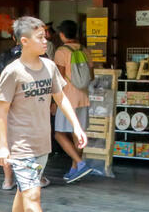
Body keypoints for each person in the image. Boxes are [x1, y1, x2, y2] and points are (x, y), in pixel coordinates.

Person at [0, 16, 88, 212]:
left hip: (42, 144)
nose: (46, 41)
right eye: (40, 38)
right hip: (21, 146)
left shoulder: (50, 67)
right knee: (33, 197)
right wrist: (3, 147)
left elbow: (61, 99)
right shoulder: (13, 72)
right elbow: (0, 112)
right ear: (24, 41)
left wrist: (77, 127)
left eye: (45, 37)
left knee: (23, 193)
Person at [53, 20, 93, 183]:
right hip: (83, 97)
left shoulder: (61, 51)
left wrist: (54, 102)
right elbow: (92, 75)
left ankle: (80, 163)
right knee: (79, 134)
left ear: (62, 34)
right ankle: (75, 169)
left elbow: (59, 79)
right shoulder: (85, 50)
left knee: (59, 134)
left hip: (66, 99)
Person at [0, 30, 25, 190]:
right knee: (27, 141)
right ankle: (33, 178)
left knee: (6, 139)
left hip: (8, 102)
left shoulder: (3, 56)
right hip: (28, 104)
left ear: (13, 38)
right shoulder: (37, 56)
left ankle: (8, 180)